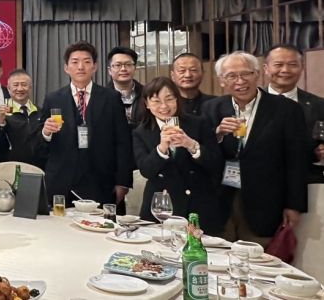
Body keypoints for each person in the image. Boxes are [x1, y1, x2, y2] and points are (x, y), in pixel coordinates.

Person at [202, 51, 308, 244]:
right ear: (222, 81)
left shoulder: (286, 109)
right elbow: (202, 151)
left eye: (246, 73)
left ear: (258, 74)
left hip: (265, 201)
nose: (240, 81)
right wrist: (217, 133)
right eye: (232, 76)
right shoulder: (211, 108)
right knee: (219, 253)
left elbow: (297, 160)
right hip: (220, 200)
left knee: (258, 256)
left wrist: (294, 205)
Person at [37, 41, 133, 206]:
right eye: (75, 62)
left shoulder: (111, 98)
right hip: (61, 182)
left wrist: (123, 182)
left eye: (87, 62)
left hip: (101, 182)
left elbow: (123, 142)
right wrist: (46, 133)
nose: (81, 67)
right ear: (66, 68)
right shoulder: (53, 98)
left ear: (95, 67)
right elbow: (39, 145)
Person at [132, 77, 224, 234]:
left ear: (177, 99)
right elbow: (146, 170)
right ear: (147, 104)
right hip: (161, 206)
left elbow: (216, 164)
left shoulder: (199, 123)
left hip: (197, 204)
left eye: (169, 99)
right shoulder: (141, 132)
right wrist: (161, 148)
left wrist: (191, 145)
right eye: (156, 101)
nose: (164, 106)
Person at [263, 44, 324, 182]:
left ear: (302, 68)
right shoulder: (250, 102)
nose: (285, 70)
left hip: (306, 180)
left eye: (292, 65)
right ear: (266, 69)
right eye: (278, 65)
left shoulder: (320, 105)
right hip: (260, 181)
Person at [0, 69, 43, 167]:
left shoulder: (40, 112)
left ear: (30, 88)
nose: (20, 89)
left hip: (38, 167)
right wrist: (1, 122)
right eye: (15, 85)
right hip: (11, 167)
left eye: (24, 85)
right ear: (8, 88)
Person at [105, 47, 143, 127]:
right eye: (118, 65)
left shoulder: (147, 94)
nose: (123, 69)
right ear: (109, 70)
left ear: (135, 68)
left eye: (128, 64)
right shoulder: (101, 96)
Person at [170, 52, 216, 117]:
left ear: (202, 74)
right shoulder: (167, 106)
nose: (188, 75)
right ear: (172, 76)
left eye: (193, 70)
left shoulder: (215, 103)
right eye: (182, 71)